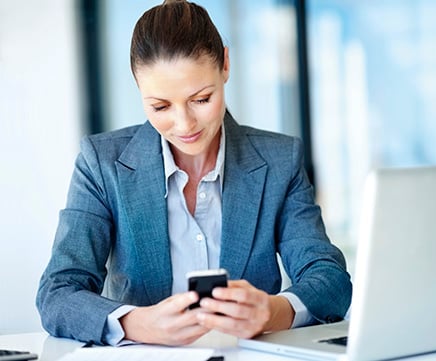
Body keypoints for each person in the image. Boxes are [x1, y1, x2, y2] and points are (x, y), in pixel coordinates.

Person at [36, 0, 352, 346]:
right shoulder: (101, 162)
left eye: (201, 99)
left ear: (225, 65)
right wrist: (136, 323)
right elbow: (58, 291)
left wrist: (273, 310)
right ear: (138, 86)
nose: (184, 125)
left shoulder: (280, 160)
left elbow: (329, 278)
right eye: (160, 106)